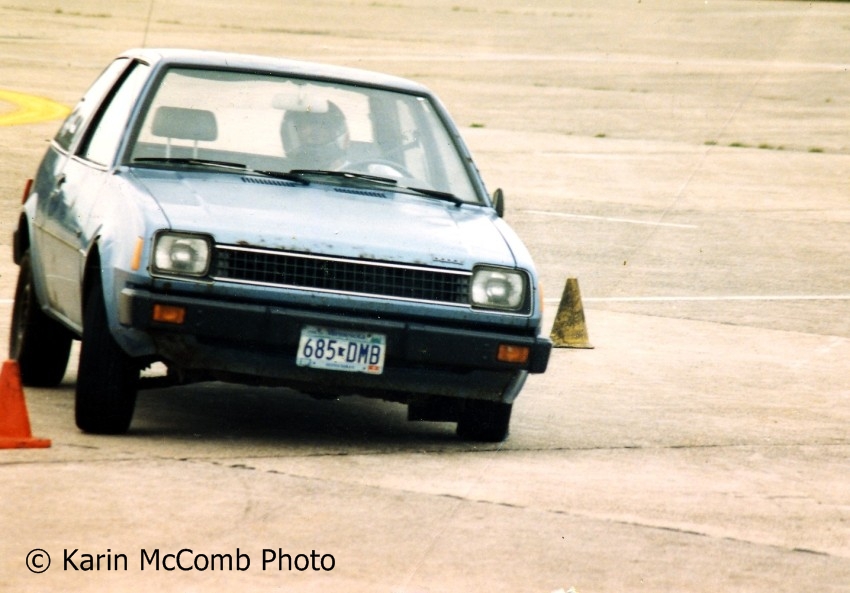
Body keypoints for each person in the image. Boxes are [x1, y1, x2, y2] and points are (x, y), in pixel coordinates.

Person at [280, 101, 350, 170]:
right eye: (304, 125)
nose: (315, 130)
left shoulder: (351, 172)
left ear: (334, 131)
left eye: (323, 125)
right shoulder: (280, 171)